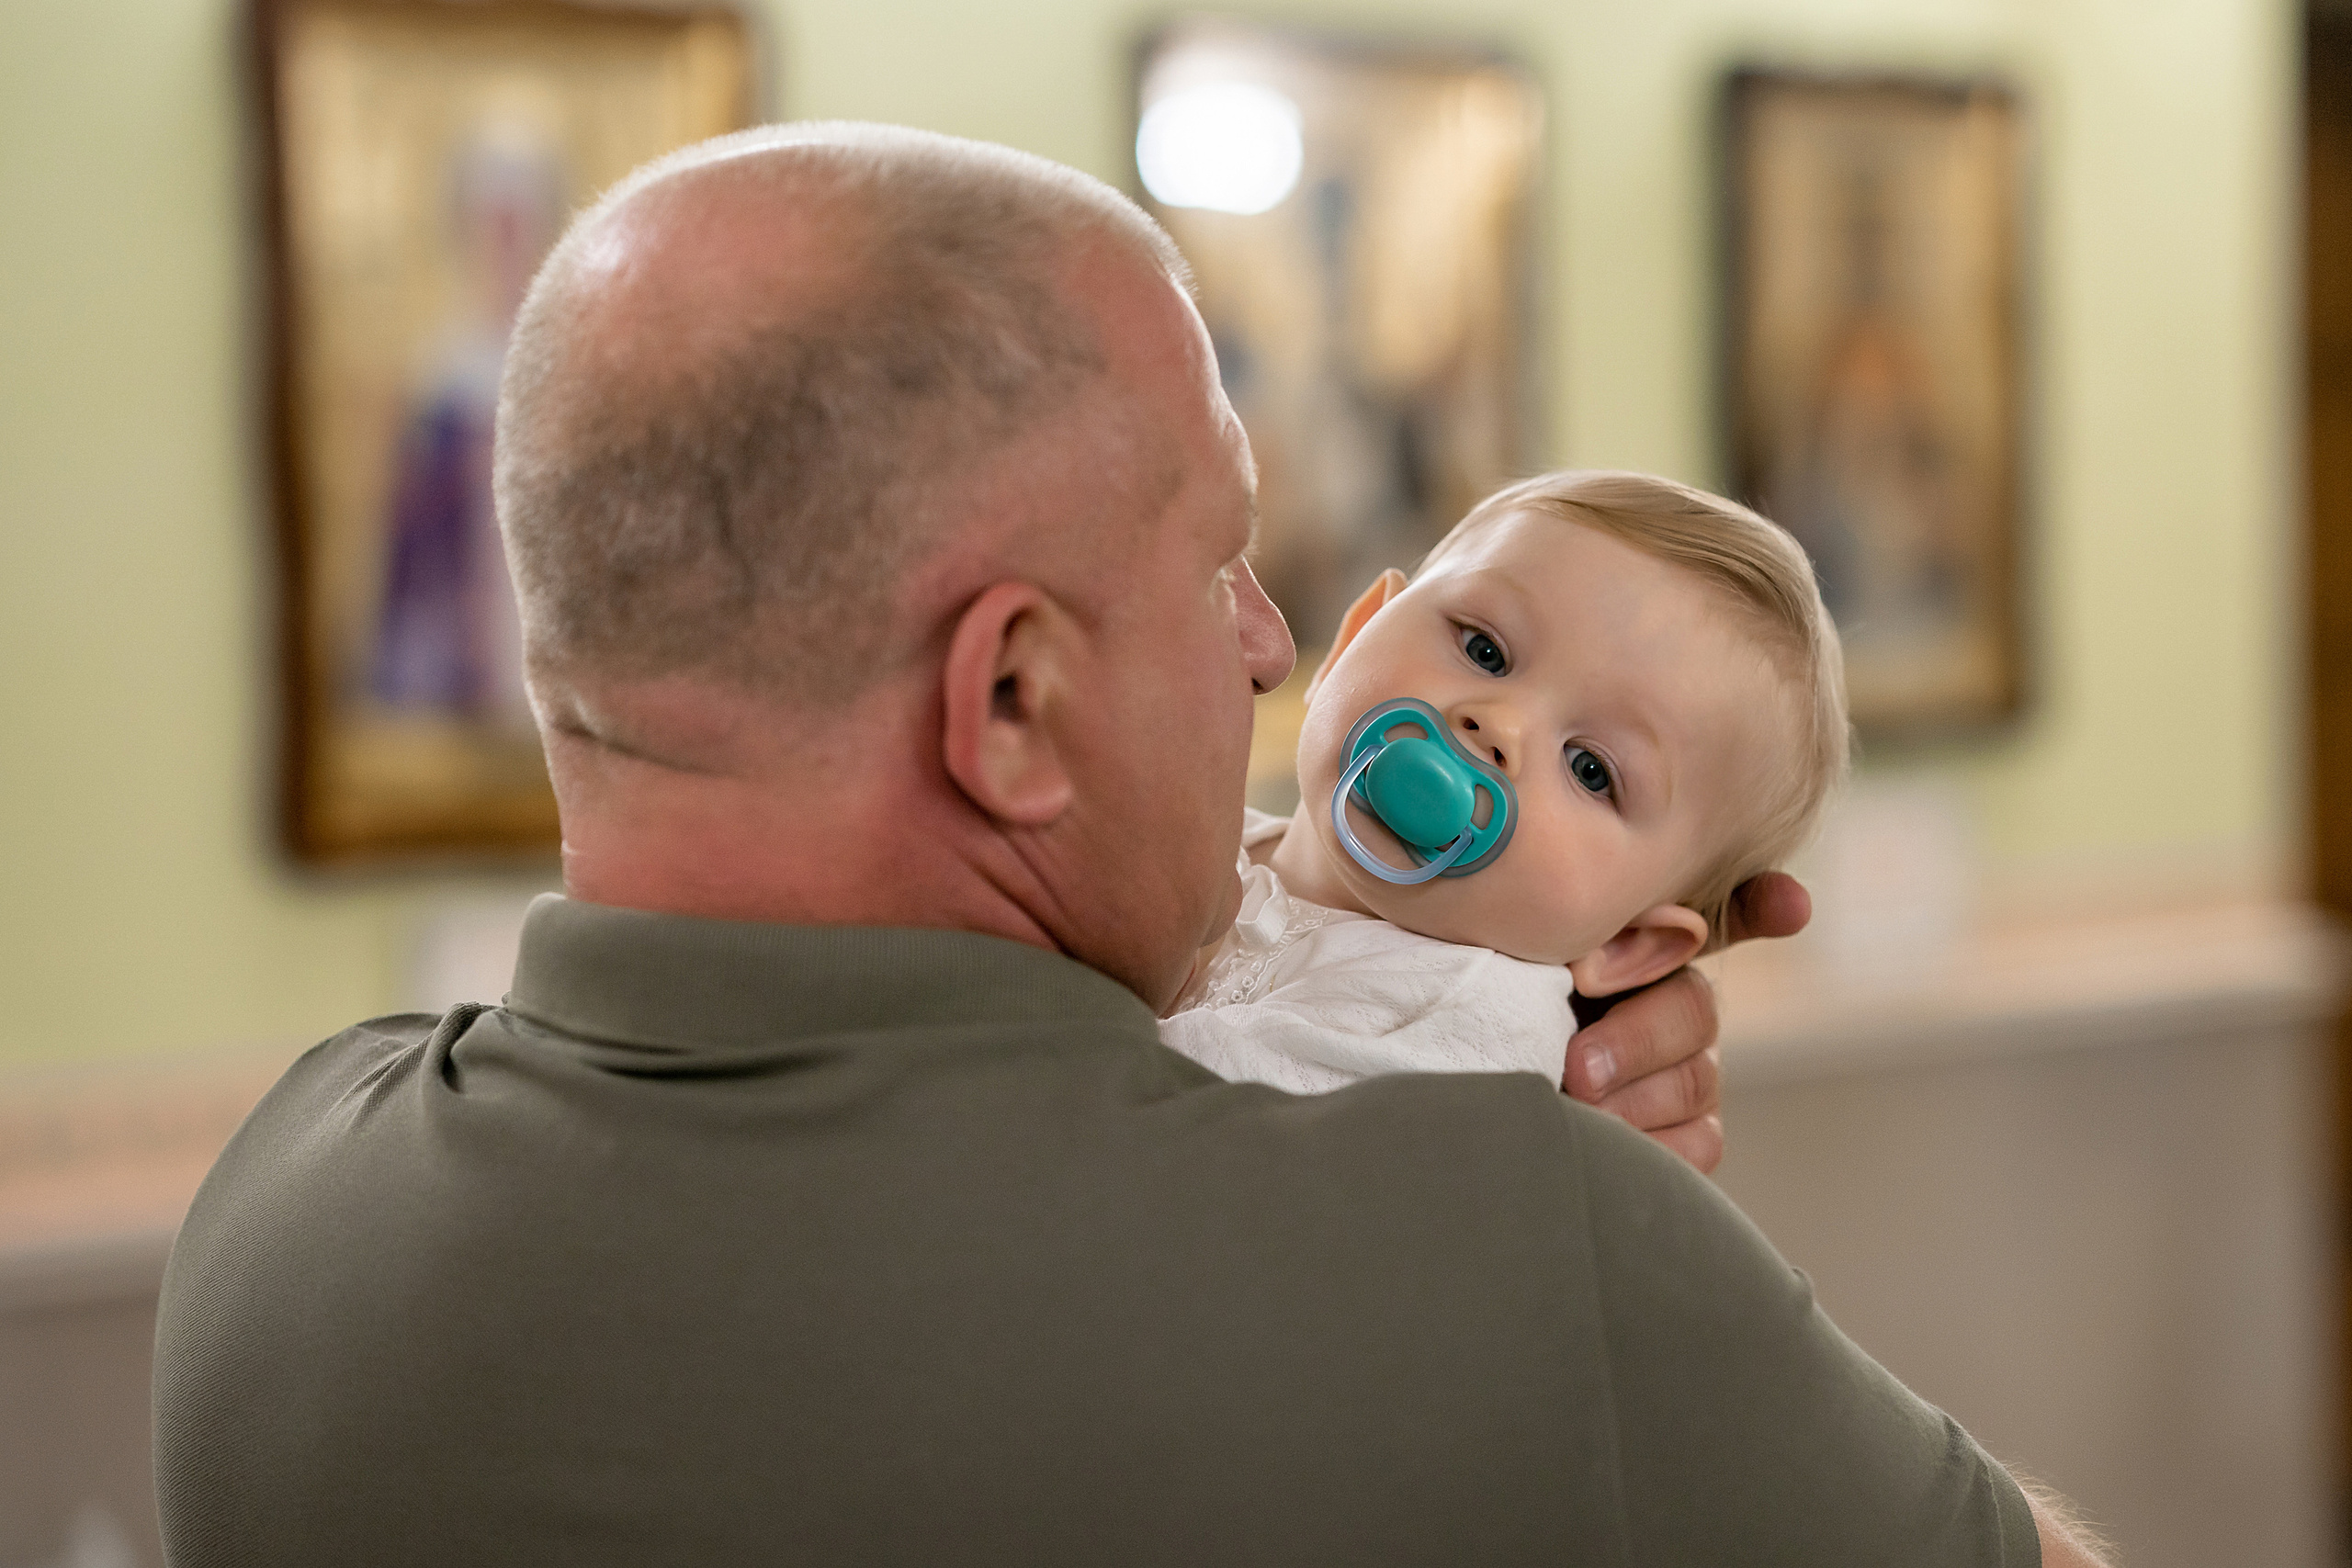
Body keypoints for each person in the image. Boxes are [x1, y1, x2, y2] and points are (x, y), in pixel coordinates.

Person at [152, 123, 2109, 1565]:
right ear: (1007, 703)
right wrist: (1602, 1268)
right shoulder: (1512, 1254)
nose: (1269, 639)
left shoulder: (276, 1227)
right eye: (1212, 569)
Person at [1163, 469, 1849, 1095]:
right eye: (1483, 649)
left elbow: (1145, 1133)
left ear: (1627, 942)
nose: (1498, 728)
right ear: (1353, 638)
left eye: (1591, 769)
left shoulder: (1467, 1032)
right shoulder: (1193, 836)